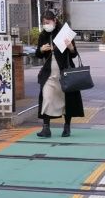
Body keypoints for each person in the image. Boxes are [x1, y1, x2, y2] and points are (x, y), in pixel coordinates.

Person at [35, 9, 84, 137]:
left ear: (54, 21)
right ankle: (46, 128)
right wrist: (41, 49)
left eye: (48, 22)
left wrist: (70, 47)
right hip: (49, 74)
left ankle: (67, 127)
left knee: (66, 101)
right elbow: (38, 54)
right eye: (44, 23)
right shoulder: (43, 35)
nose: (46, 25)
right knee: (47, 97)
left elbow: (73, 54)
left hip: (65, 73)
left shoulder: (64, 33)